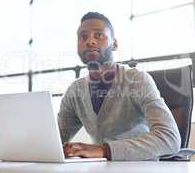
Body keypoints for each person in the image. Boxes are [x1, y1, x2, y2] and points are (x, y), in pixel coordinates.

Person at [57, 12, 181, 161]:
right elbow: (54, 138)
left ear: (114, 44)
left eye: (98, 35)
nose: (90, 41)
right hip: (102, 168)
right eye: (83, 37)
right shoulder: (74, 91)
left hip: (142, 167)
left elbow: (169, 138)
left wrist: (104, 150)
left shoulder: (137, 80)